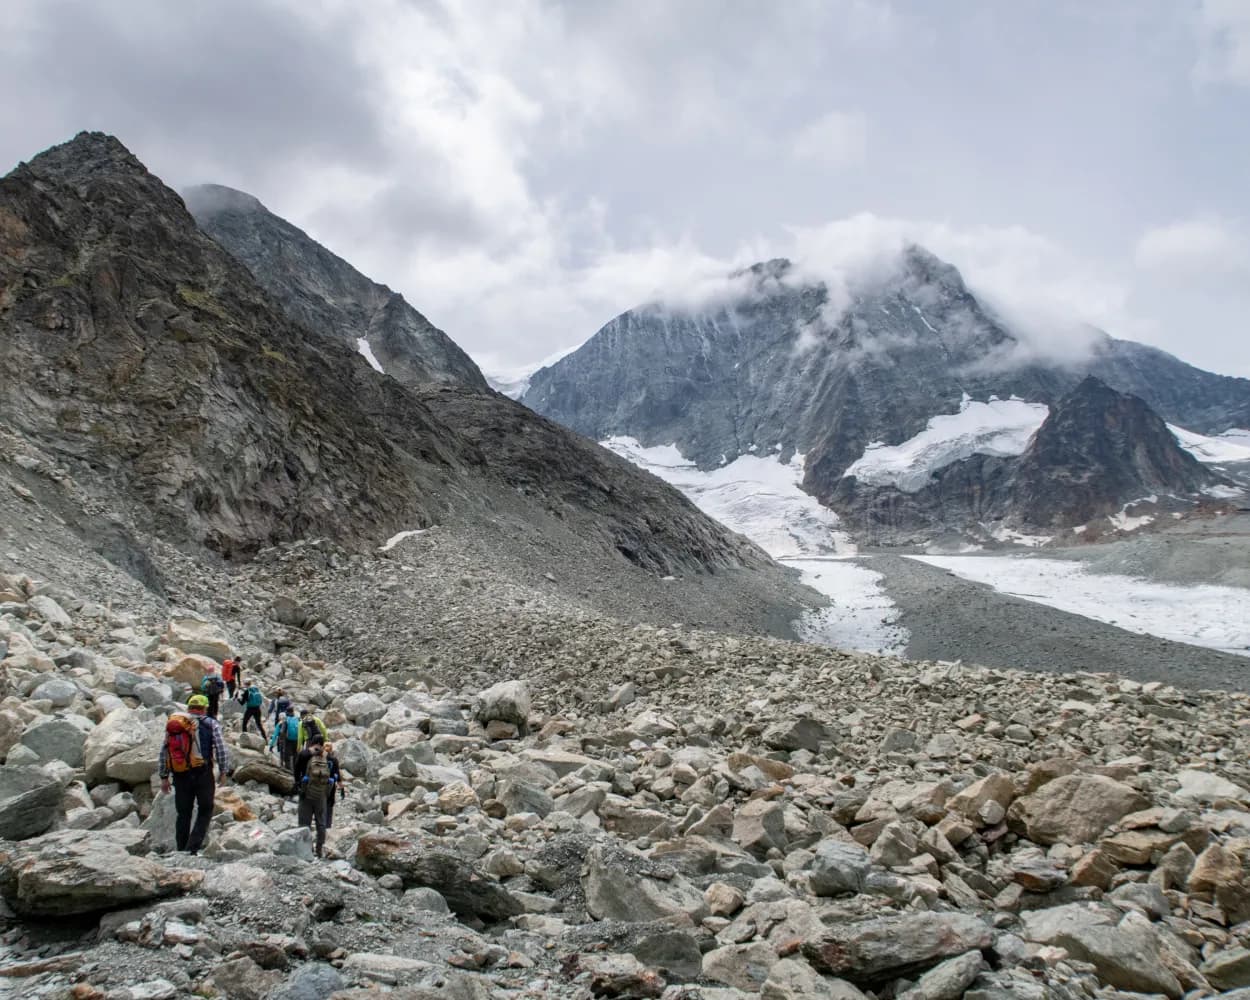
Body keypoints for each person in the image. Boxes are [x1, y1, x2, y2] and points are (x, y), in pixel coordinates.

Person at [159, 694, 231, 854]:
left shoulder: (175, 724)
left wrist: (164, 777)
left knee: (183, 813)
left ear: (189, 707)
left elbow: (164, 751)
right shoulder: (210, 723)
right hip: (202, 772)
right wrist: (224, 770)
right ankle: (192, 848)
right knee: (206, 809)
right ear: (205, 708)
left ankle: (181, 848)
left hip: (180, 773)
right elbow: (221, 748)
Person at [294, 741, 331, 857]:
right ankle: (319, 849)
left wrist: (298, 785)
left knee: (304, 823)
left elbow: (296, 771)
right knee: (321, 823)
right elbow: (332, 778)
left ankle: (307, 849)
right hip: (321, 795)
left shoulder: (304, 755)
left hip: (306, 794)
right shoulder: (328, 757)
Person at [323, 742, 345, 828]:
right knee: (330, 803)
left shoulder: (319, 758)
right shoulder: (334, 760)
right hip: (331, 784)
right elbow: (338, 776)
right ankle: (328, 825)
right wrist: (342, 788)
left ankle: (320, 823)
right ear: (331, 750)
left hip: (319, 784)